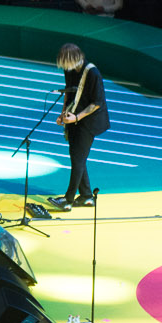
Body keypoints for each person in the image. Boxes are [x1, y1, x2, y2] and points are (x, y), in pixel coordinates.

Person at [50, 42, 108, 209]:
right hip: (74, 117)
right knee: (77, 157)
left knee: (78, 159)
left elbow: (96, 103)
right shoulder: (70, 70)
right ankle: (87, 196)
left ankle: (68, 200)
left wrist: (76, 117)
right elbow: (68, 92)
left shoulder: (93, 73)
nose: (64, 68)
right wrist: (63, 114)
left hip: (89, 121)